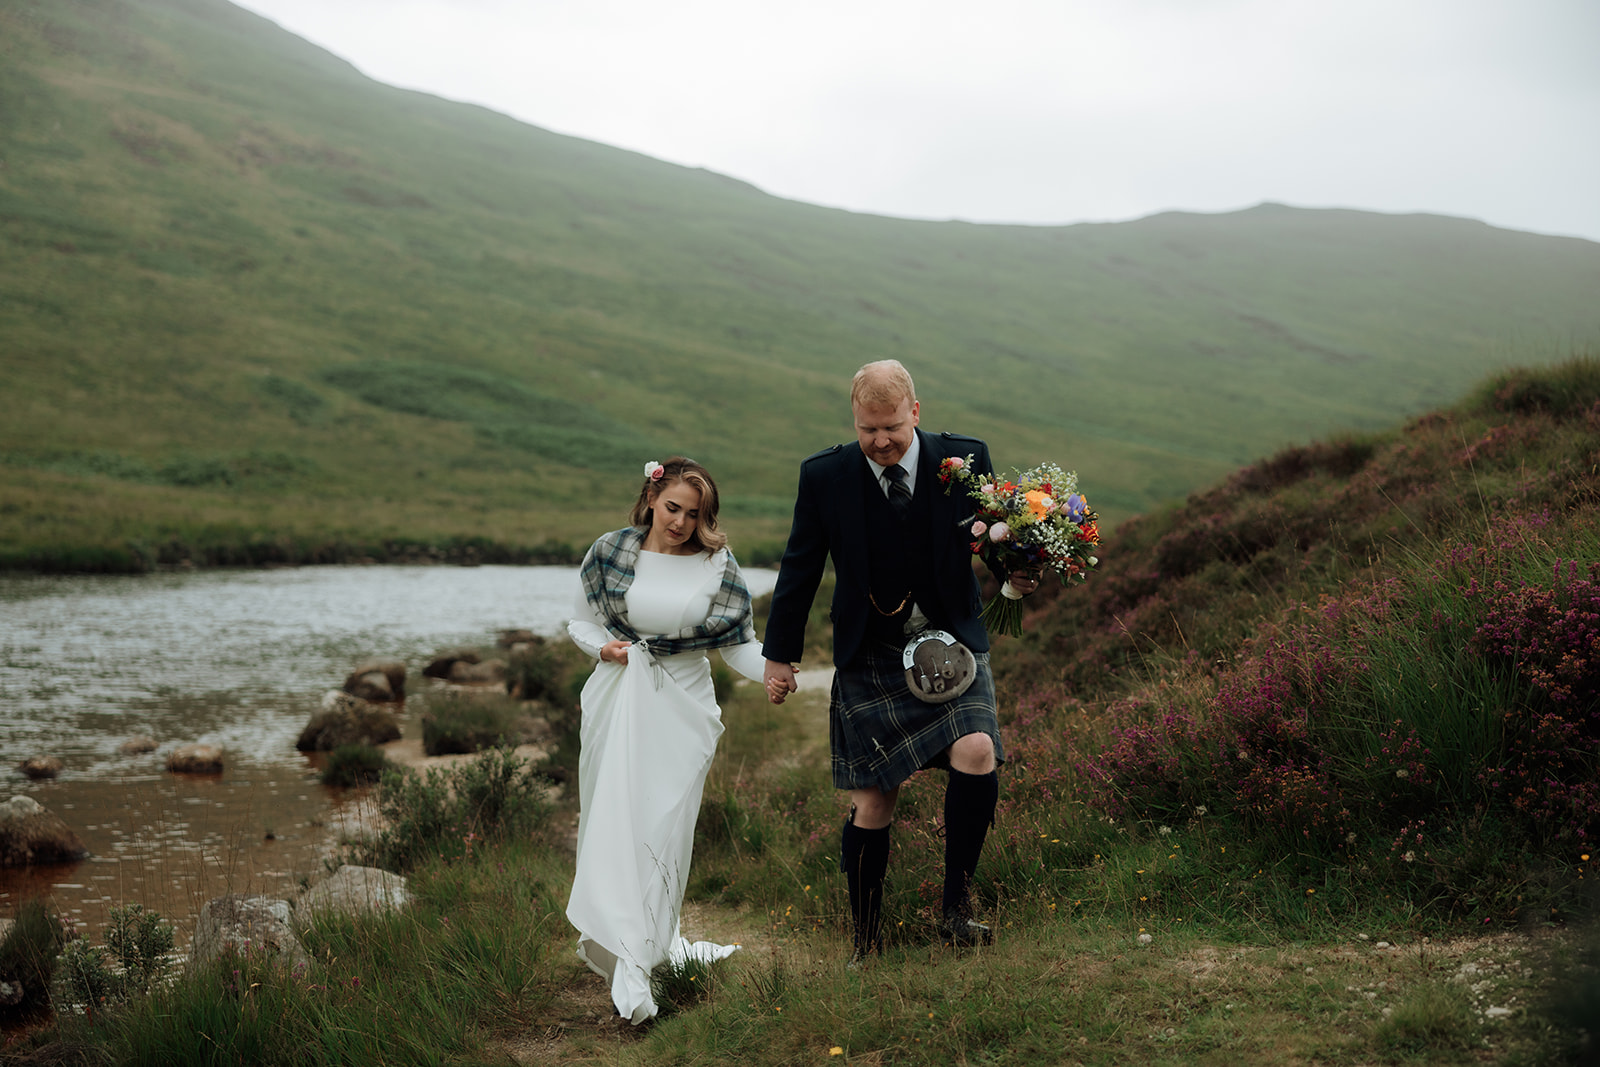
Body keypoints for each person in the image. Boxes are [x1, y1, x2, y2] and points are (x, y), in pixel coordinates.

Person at [762, 360, 1038, 964]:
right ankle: (865, 941)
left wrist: (1016, 570)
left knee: (977, 751)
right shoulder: (826, 476)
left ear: (916, 411)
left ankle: (956, 910)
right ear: (854, 421)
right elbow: (800, 567)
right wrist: (779, 656)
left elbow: (990, 535)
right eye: (868, 430)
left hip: (952, 641)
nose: (881, 441)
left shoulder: (964, 461)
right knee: (875, 800)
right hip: (869, 649)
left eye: (891, 426)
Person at [565, 456, 767, 1023]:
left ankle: (649, 946)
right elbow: (579, 620)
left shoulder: (717, 566)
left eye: (692, 514)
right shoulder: (610, 550)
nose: (679, 522)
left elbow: (737, 646)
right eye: (672, 507)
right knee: (614, 822)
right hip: (616, 695)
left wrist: (775, 672)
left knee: (663, 827)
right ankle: (628, 959)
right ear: (652, 497)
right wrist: (599, 649)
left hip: (684, 706)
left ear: (706, 517)